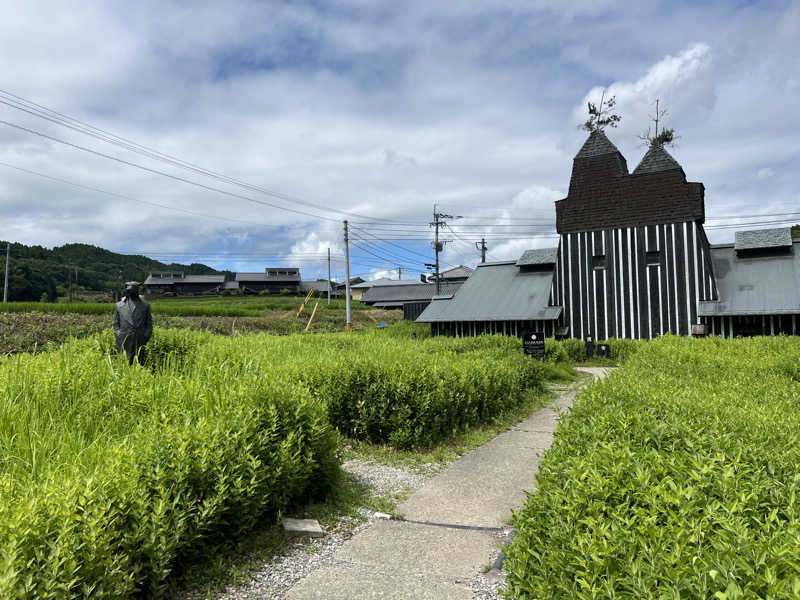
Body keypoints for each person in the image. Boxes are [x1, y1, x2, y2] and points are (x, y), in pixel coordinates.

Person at [113, 281, 153, 365]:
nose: (130, 292)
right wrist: (118, 334)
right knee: (124, 363)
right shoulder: (119, 305)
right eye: (129, 290)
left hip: (140, 339)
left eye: (132, 290)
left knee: (140, 363)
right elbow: (116, 323)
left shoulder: (145, 306)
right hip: (124, 339)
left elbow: (149, 324)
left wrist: (145, 336)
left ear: (136, 291)